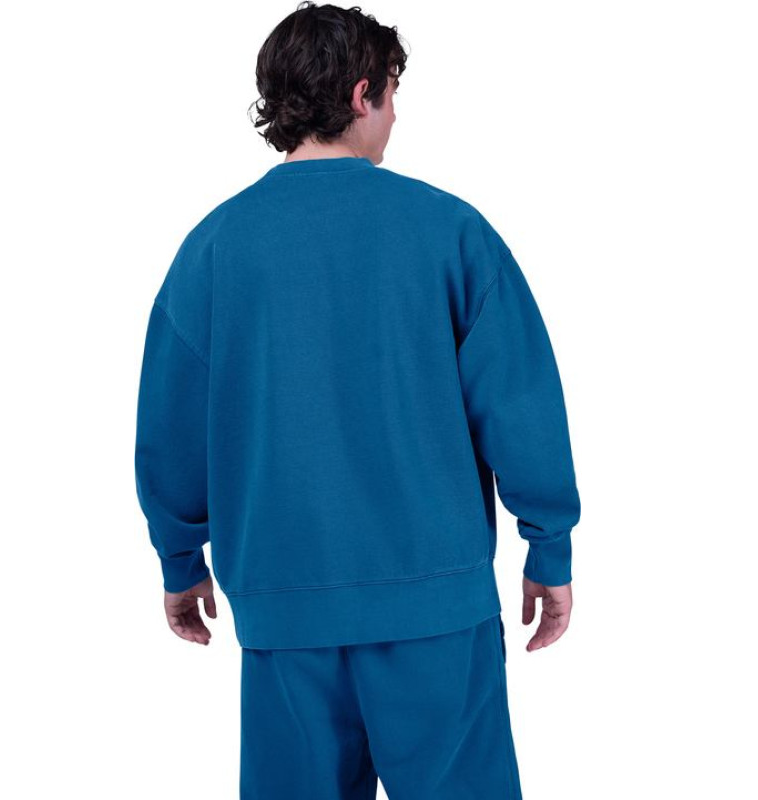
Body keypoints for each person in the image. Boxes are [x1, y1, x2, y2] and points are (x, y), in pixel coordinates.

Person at [134, 3, 581, 798]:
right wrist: (548, 547)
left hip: (284, 614)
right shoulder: (450, 232)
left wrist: (179, 558)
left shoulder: (213, 248)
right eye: (394, 93)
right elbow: (520, 404)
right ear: (362, 93)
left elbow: (170, 428)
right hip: (435, 609)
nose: (396, 115)